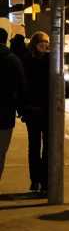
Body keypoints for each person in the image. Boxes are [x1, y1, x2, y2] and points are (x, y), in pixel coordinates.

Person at [24, 31, 50, 193]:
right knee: (34, 146)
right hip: (34, 110)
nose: (45, 46)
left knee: (47, 146)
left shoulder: (51, 61)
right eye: (42, 44)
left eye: (47, 43)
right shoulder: (28, 62)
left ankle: (44, 180)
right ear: (34, 45)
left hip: (46, 110)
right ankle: (36, 179)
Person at [0, 27, 27, 184]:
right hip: (5, 112)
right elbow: (21, 86)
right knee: (1, 152)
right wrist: (22, 110)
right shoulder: (13, 59)